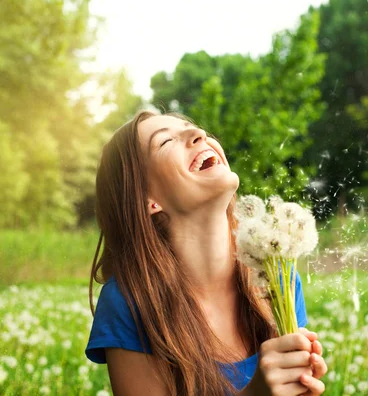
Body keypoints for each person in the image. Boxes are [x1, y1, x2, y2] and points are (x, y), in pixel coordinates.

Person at [85, 110, 328, 395]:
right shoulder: (130, 301)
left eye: (194, 128)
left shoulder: (276, 275)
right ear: (146, 200)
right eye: (164, 142)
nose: (199, 135)